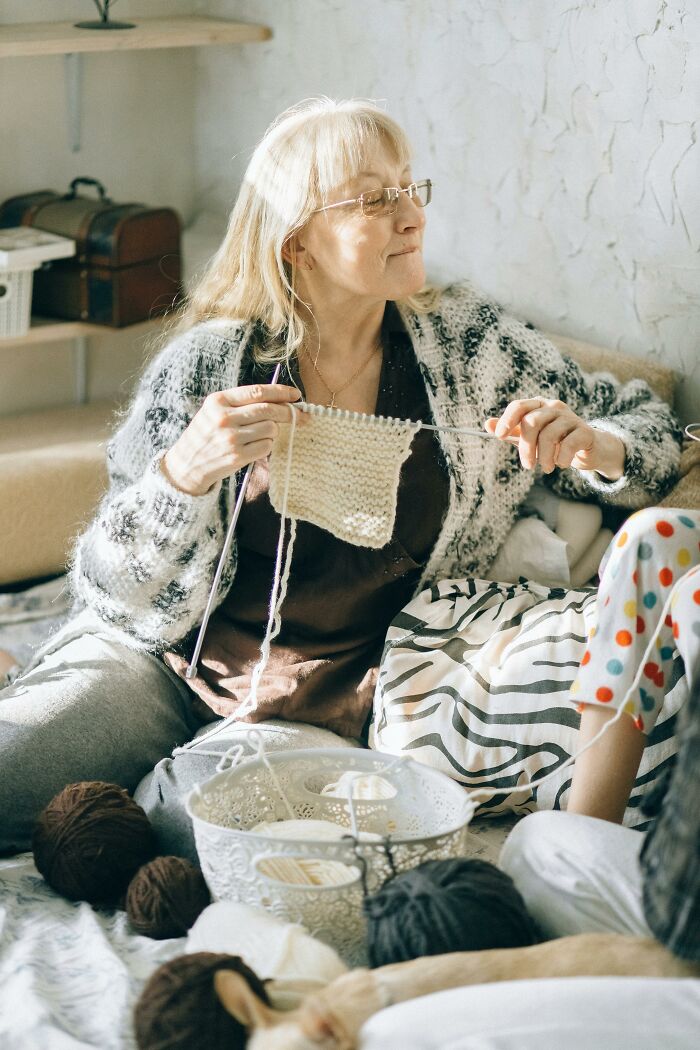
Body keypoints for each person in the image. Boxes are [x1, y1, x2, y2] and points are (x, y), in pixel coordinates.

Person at [0, 97, 682, 860]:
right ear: (298, 243)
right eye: (373, 199)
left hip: (327, 700)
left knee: (199, 837)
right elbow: (109, 593)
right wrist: (180, 475)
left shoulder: (472, 347)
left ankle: (158, 794)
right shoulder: (208, 365)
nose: (411, 216)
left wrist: (595, 446)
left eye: (410, 189)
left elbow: (655, 430)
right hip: (161, 662)